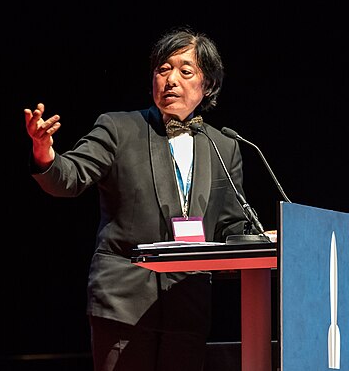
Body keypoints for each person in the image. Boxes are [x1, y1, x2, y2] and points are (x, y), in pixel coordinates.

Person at [23, 26, 259, 371]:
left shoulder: (224, 146)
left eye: (184, 70)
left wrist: (259, 237)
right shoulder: (120, 129)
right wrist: (45, 153)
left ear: (207, 84)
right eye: (162, 70)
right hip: (123, 303)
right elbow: (69, 178)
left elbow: (231, 225)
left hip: (188, 304)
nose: (171, 79)